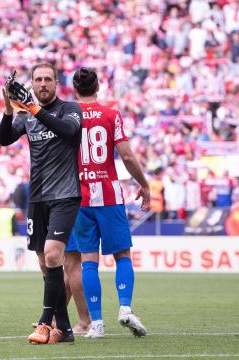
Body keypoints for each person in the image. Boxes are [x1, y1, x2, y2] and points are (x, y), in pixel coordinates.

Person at [0, 62, 82, 344]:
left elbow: (69, 132)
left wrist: (33, 108)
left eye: (48, 79)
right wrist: (9, 108)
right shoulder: (25, 115)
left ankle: (46, 324)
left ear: (57, 83)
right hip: (38, 197)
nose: (43, 84)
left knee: (53, 254)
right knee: (46, 266)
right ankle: (65, 330)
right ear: (32, 84)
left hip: (65, 195)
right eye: (38, 80)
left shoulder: (70, 109)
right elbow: (4, 139)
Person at [70, 68, 151, 338]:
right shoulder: (111, 115)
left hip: (79, 198)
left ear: (74, 89)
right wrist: (145, 184)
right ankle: (125, 309)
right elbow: (127, 157)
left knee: (88, 262)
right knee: (122, 255)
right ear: (98, 87)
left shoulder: (67, 116)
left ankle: (97, 324)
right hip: (109, 195)